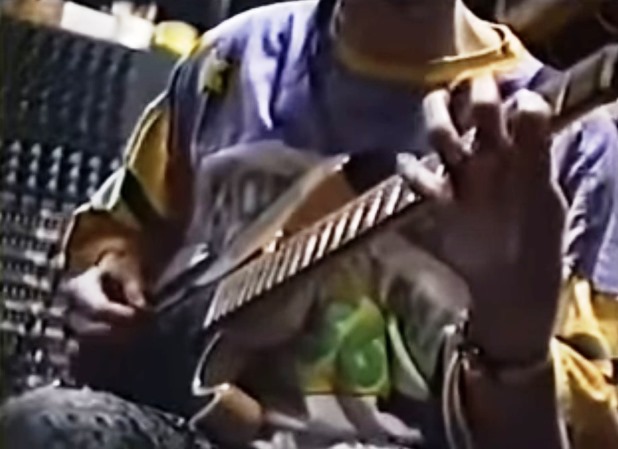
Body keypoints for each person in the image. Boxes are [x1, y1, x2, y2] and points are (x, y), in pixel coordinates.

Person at [2, 0, 618, 448]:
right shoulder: (232, 59)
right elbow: (122, 227)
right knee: (46, 425)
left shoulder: (576, 146)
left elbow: (595, 423)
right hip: (192, 428)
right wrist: (108, 269)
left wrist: (516, 343)